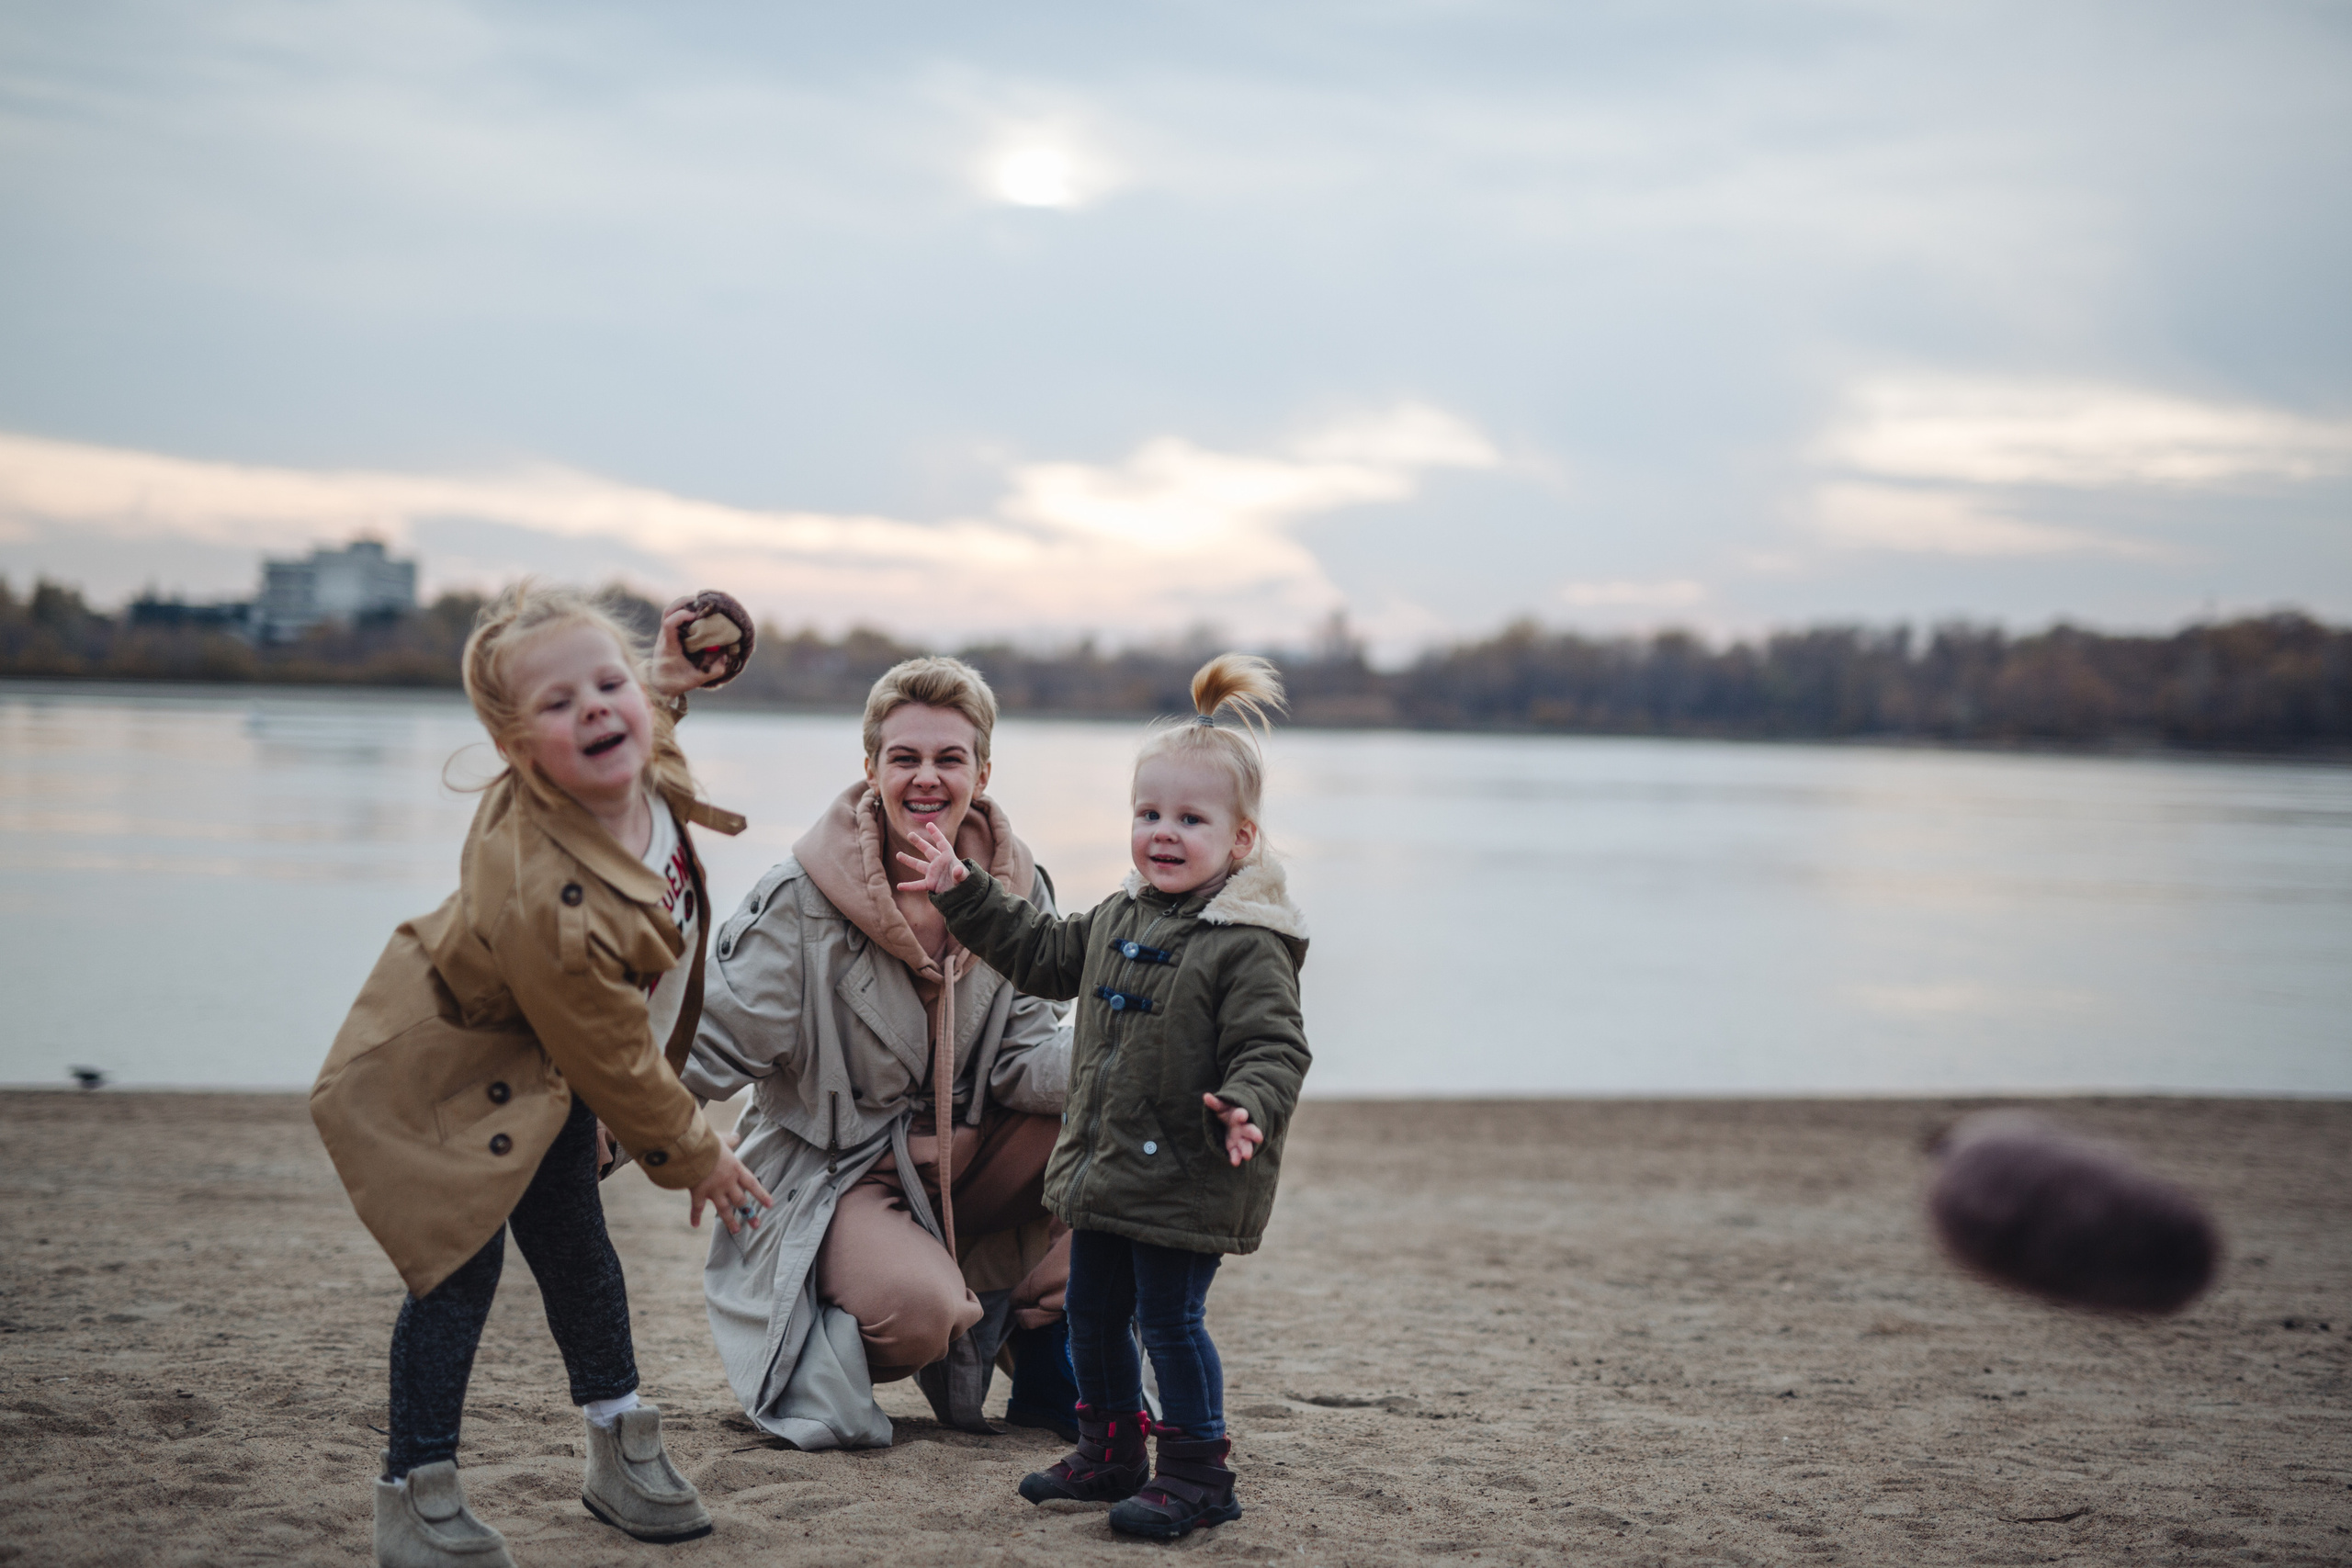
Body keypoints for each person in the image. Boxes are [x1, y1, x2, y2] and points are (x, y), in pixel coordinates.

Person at [311, 583, 774, 1568]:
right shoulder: (547, 895)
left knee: (575, 1248)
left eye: (610, 684)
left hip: (548, 1069)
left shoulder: (633, 767)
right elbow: (607, 1046)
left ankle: (619, 1444)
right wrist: (697, 1156)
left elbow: (644, 735)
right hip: (454, 1073)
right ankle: (415, 1490)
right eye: (560, 706)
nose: (599, 709)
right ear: (521, 750)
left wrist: (668, 678)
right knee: (458, 1273)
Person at [896, 652, 1311, 1540]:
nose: (1163, 832)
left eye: (1190, 819)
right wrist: (966, 896)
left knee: (1171, 1320)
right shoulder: (1121, 917)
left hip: (1189, 1173)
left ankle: (1198, 1470)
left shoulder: (1248, 944)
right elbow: (1044, 951)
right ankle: (1110, 1447)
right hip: (1110, 1172)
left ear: (1239, 842)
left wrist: (1249, 1104)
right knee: (1090, 1311)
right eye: (1148, 813)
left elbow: (1275, 1047)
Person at [682, 656, 1080, 1450]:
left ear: (983, 770)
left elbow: (1024, 1058)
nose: (926, 778)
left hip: (964, 1162)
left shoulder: (1020, 887)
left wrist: (1153, 1059)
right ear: (871, 768)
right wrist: (626, 1129)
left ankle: (1044, 1344)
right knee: (920, 1312)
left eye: (949, 758)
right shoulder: (799, 898)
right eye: (905, 757)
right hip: (837, 1170)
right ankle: (815, 1332)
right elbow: (711, 1040)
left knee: (1119, 1126)